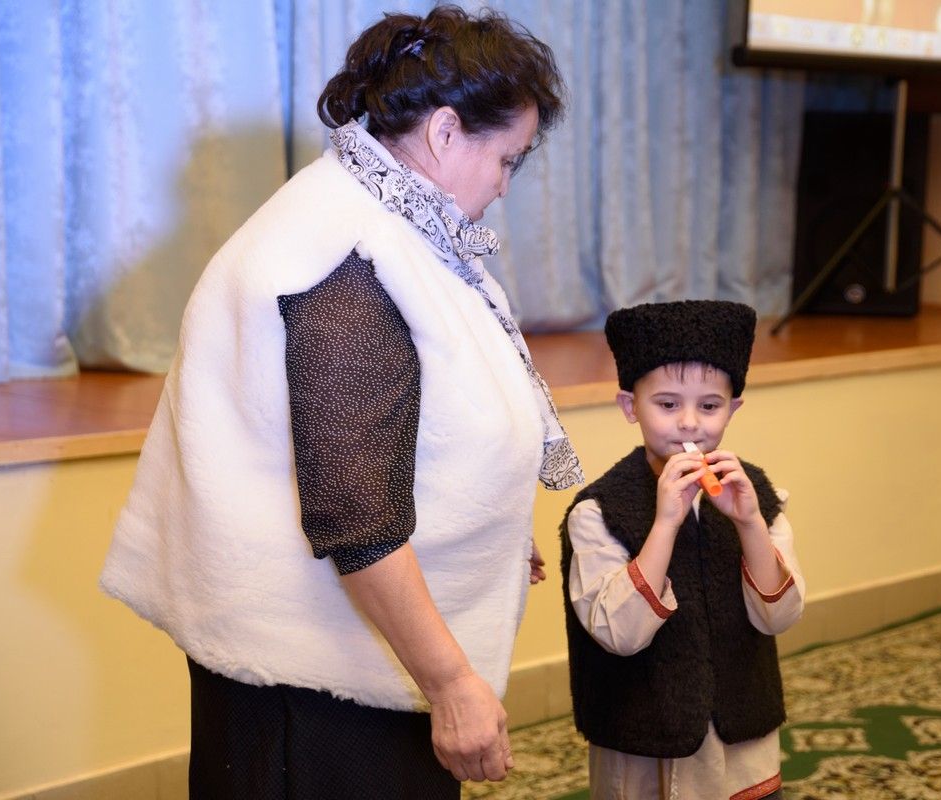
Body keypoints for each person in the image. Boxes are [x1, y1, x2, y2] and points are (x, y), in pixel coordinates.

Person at [99, 6, 582, 798]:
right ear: (445, 132)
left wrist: (485, 526)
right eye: (508, 159)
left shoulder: (377, 217)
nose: (504, 185)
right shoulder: (343, 255)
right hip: (314, 696)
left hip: (342, 658)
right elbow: (357, 515)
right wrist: (454, 685)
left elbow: (404, 428)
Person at [560, 300, 805, 799]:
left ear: (733, 409)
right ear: (630, 407)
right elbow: (619, 634)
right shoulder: (596, 513)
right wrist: (665, 523)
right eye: (667, 404)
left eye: (709, 406)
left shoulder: (760, 498)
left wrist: (750, 523)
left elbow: (779, 617)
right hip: (644, 746)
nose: (690, 423)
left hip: (743, 742)